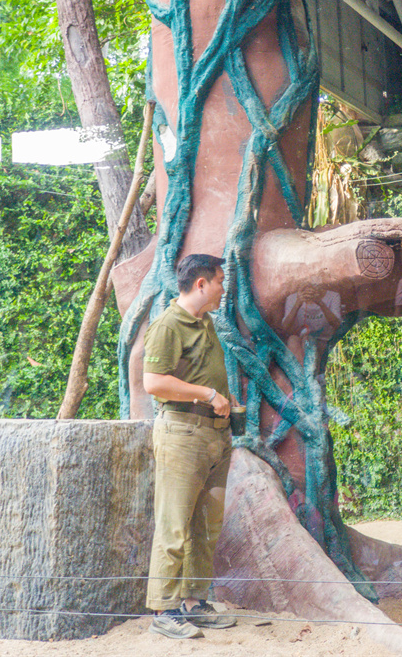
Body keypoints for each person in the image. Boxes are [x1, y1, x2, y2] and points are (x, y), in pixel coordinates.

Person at [142, 254, 240, 639]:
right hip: (182, 435)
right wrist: (208, 394)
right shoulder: (168, 325)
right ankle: (163, 609)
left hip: (215, 436)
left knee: (206, 525)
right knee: (174, 525)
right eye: (218, 281)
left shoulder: (205, 321)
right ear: (200, 284)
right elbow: (154, 382)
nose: (222, 288)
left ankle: (194, 602)